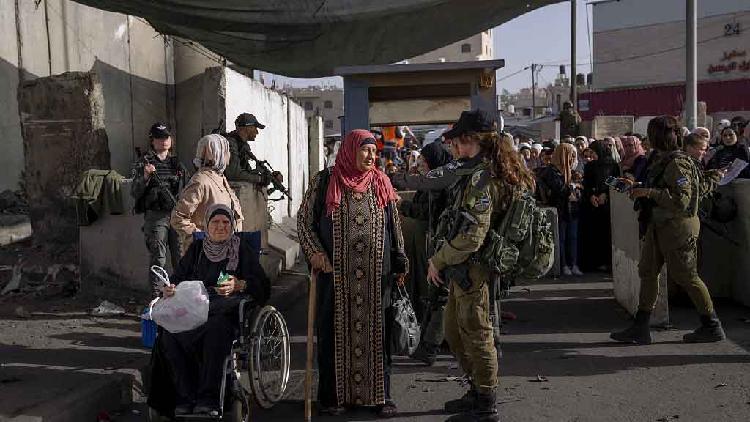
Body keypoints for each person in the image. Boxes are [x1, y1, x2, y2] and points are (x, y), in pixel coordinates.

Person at [427, 110, 535, 422]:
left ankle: (486, 403)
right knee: (455, 331)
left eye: (458, 142)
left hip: (473, 266)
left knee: (476, 332)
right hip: (464, 267)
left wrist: (439, 259)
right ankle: (477, 390)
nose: (455, 148)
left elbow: (473, 236)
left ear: (471, 140)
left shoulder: (483, 177)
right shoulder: (479, 172)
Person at [297, 129, 408, 417]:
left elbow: (393, 224)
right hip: (334, 275)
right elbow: (304, 221)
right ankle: (332, 398)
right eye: (365, 150)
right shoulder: (324, 181)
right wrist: (314, 252)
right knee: (332, 333)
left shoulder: (380, 182)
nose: (371, 156)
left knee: (378, 335)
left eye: (374, 152)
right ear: (350, 150)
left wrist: (400, 259)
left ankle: (381, 397)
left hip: (375, 277)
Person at [610, 116, 726, 345]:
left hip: (677, 227)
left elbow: (682, 202)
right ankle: (640, 327)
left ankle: (712, 325)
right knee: (648, 272)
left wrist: (649, 193)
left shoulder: (678, 163)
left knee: (686, 276)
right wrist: (639, 188)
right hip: (659, 224)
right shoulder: (661, 160)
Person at [158, 204, 269, 417]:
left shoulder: (241, 249)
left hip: (225, 313)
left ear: (232, 225)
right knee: (168, 334)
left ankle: (208, 398)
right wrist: (169, 288)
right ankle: (185, 396)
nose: (220, 227)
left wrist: (240, 284)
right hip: (194, 311)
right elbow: (177, 278)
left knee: (215, 330)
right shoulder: (197, 250)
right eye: (215, 222)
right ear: (207, 226)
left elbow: (263, 286)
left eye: (226, 222)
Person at [399, 141, 454, 366]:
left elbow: (427, 212)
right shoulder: (437, 181)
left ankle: (430, 346)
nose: (420, 164)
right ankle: (441, 341)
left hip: (439, 245)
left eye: (424, 161)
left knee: (438, 294)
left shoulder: (439, 185)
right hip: (436, 244)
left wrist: (401, 204)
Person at [131, 123, 188, 298]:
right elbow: (134, 191)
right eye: (159, 138)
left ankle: (181, 295)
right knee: (158, 258)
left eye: (166, 137)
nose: (163, 141)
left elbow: (188, 188)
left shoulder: (176, 163)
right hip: (156, 216)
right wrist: (146, 176)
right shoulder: (145, 163)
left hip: (176, 215)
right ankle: (156, 297)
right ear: (152, 140)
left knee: (181, 257)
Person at [171, 134, 244, 255]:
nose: (229, 155)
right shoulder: (201, 181)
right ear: (216, 153)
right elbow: (178, 218)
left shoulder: (220, 178)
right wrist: (202, 238)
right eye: (226, 151)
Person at [537, 143, 583, 276]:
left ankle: (573, 264)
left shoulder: (570, 170)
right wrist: (572, 189)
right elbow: (559, 189)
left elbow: (578, 188)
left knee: (573, 238)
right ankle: (563, 265)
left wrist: (575, 189)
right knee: (561, 239)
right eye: (570, 155)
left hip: (572, 210)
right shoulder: (551, 171)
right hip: (560, 210)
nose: (572, 159)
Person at [580, 140, 621, 272]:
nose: (591, 155)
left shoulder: (612, 165)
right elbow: (587, 184)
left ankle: (607, 262)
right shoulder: (590, 166)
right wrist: (591, 195)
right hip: (593, 205)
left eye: (593, 152)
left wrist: (605, 194)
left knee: (607, 234)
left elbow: (614, 183)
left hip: (607, 206)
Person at [224, 113, 283, 187]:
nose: (257, 132)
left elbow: (246, 171)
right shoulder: (231, 143)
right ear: (248, 127)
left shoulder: (242, 145)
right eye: (255, 127)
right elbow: (234, 174)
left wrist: (270, 176)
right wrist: (260, 179)